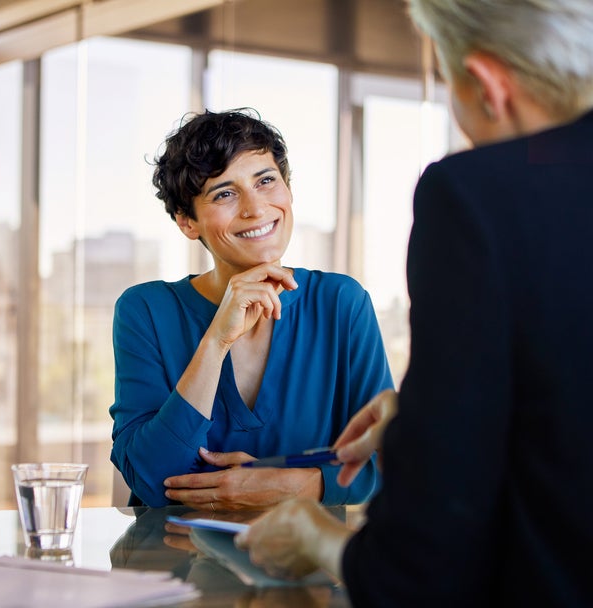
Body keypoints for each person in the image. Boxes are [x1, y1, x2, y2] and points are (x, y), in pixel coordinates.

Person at [235, 1, 593, 605]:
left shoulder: (477, 195)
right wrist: (439, 415)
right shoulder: (149, 309)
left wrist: (320, 541)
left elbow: (422, 564)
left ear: (486, 86)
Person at [109, 108, 393, 510]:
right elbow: (153, 480)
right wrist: (216, 340)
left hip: (305, 564)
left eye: (266, 181)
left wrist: (279, 486)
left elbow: (384, 462)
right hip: (171, 564)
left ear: (288, 189)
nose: (255, 208)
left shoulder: (340, 302)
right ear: (187, 222)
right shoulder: (145, 310)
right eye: (224, 193)